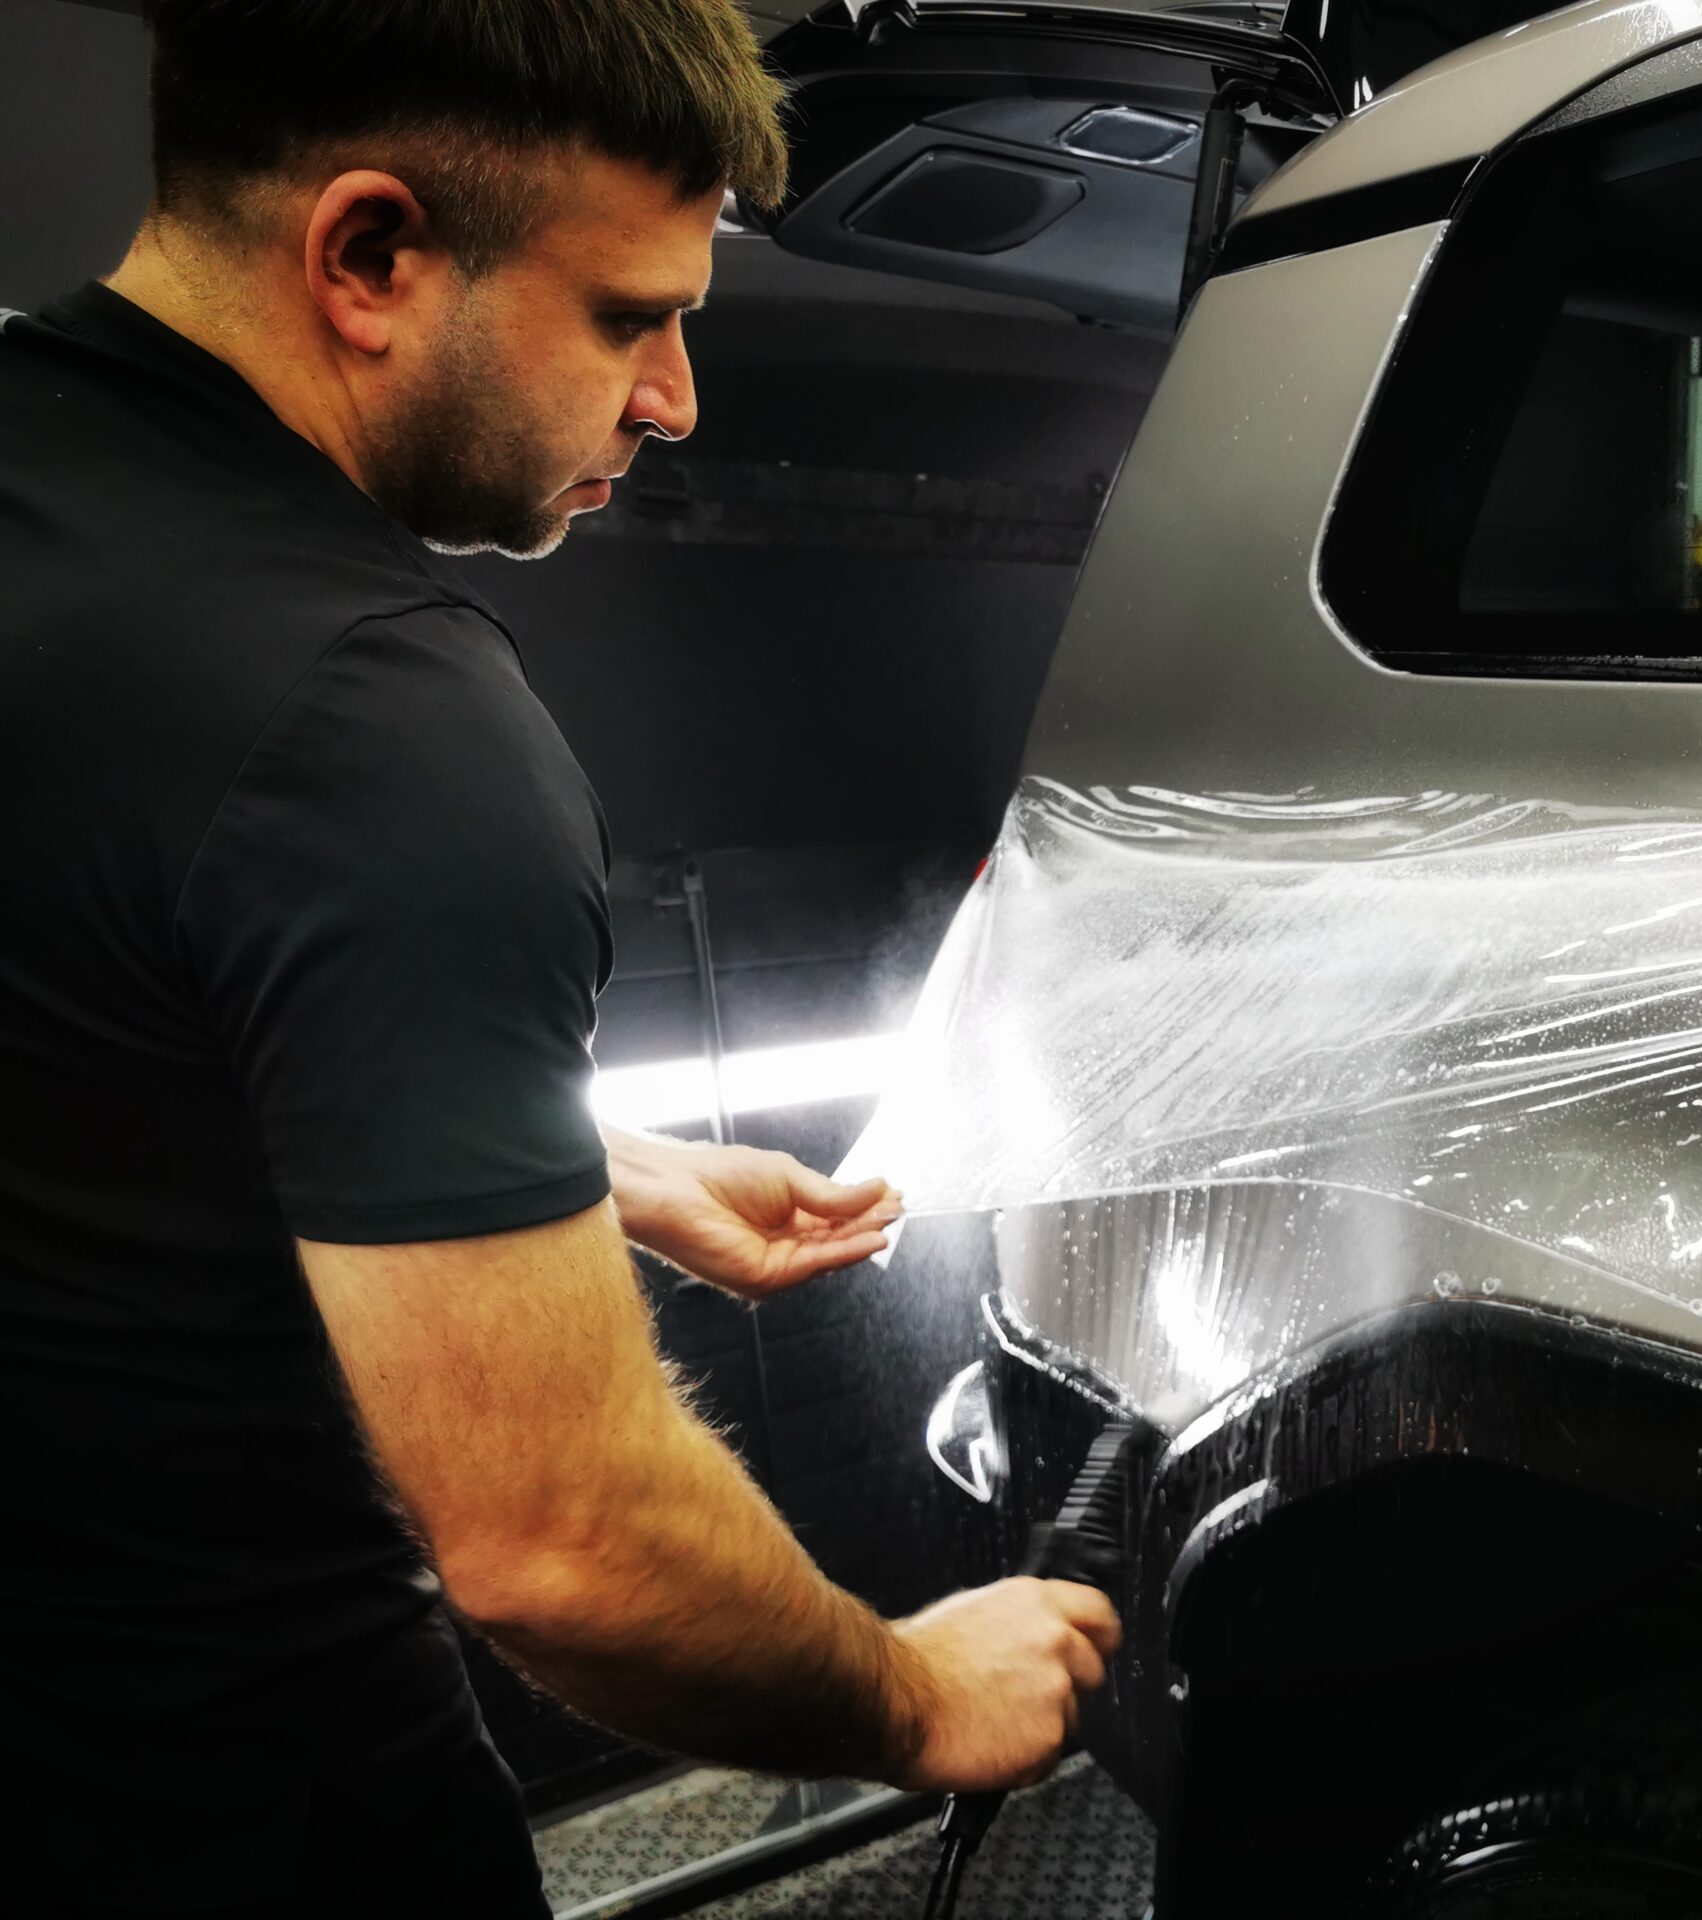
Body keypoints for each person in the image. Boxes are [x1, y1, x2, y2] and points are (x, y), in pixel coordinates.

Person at [0, 3, 1120, 1913]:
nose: (674, 397)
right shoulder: (377, 727)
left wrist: (593, 1170)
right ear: (371, 256)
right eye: (627, 317)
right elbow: (567, 1550)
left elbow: (97, 1031)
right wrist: (921, 1694)